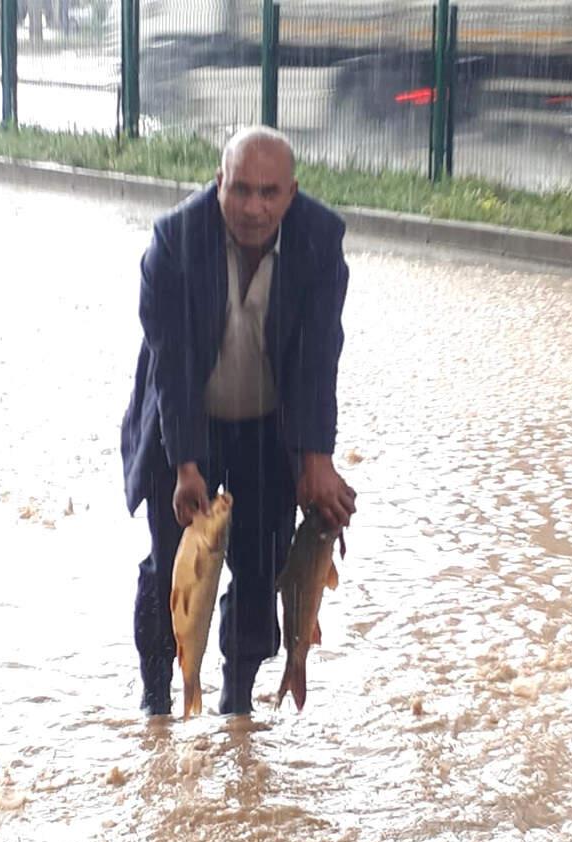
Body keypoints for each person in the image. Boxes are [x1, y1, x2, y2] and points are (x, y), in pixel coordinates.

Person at [120, 125, 356, 716]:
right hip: (184, 425)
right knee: (173, 566)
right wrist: (186, 466)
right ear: (218, 182)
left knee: (263, 564)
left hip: (265, 426)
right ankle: (156, 702)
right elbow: (170, 367)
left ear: (292, 193)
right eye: (242, 190)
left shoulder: (319, 240)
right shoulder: (174, 241)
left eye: (270, 193)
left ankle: (237, 706)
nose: (255, 207)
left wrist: (315, 461)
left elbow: (317, 354)